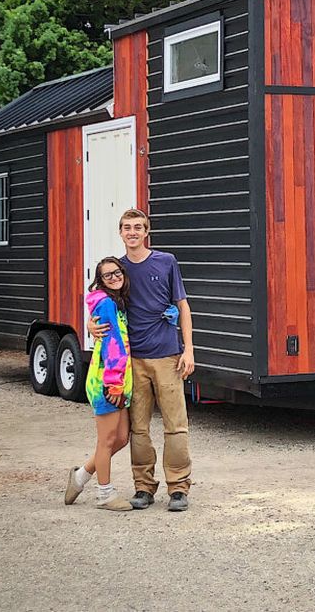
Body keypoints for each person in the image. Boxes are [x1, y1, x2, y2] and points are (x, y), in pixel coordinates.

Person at [90, 208, 195, 512]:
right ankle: (143, 487)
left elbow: (183, 305)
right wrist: (89, 325)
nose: (133, 232)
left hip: (168, 355)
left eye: (138, 227)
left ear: (147, 232)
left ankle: (178, 488)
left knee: (176, 425)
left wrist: (188, 349)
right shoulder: (116, 271)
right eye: (127, 227)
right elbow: (96, 302)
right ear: (120, 233)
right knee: (139, 428)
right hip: (132, 360)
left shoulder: (166, 262)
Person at [64, 257, 133, 511]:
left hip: (120, 379)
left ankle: (80, 476)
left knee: (122, 438)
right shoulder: (105, 304)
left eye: (117, 272)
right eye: (107, 275)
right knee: (106, 440)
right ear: (100, 281)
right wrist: (114, 384)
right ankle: (105, 494)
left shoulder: (117, 303)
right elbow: (113, 346)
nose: (114, 277)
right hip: (107, 379)